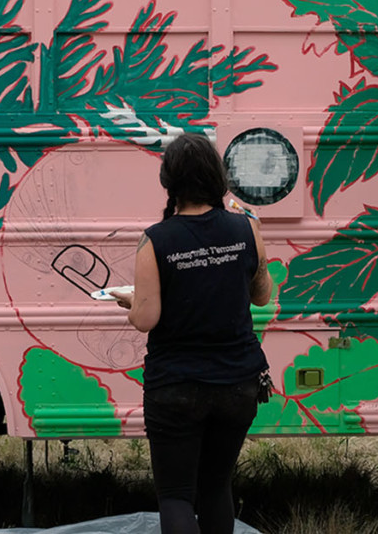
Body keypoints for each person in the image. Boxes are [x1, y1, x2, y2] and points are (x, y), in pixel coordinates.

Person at [111, 133, 272, 534]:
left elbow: (147, 319)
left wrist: (130, 301)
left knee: (177, 494)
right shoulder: (246, 228)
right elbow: (262, 296)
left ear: (170, 182)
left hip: (176, 387)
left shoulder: (156, 239)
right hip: (238, 383)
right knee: (217, 486)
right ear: (218, 177)